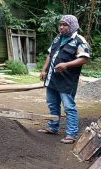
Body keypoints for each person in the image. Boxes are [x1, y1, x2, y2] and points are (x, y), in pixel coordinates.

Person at [38, 15, 90, 144]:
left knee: (69, 107)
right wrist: (44, 70)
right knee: (52, 104)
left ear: (72, 25)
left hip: (67, 81)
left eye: (65, 25)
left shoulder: (79, 40)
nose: (61, 27)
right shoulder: (57, 38)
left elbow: (83, 58)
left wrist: (66, 65)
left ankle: (71, 134)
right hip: (53, 78)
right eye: (60, 24)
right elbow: (50, 55)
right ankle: (53, 127)